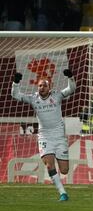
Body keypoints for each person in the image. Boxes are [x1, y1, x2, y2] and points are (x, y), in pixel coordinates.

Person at [11, 69, 76, 201]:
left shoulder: (57, 96)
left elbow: (71, 89)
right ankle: (63, 193)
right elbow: (15, 95)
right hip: (44, 136)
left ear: (50, 87)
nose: (42, 88)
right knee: (49, 165)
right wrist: (16, 82)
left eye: (45, 85)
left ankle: (62, 188)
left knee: (64, 170)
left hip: (59, 137)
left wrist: (70, 76)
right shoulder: (33, 98)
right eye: (40, 85)